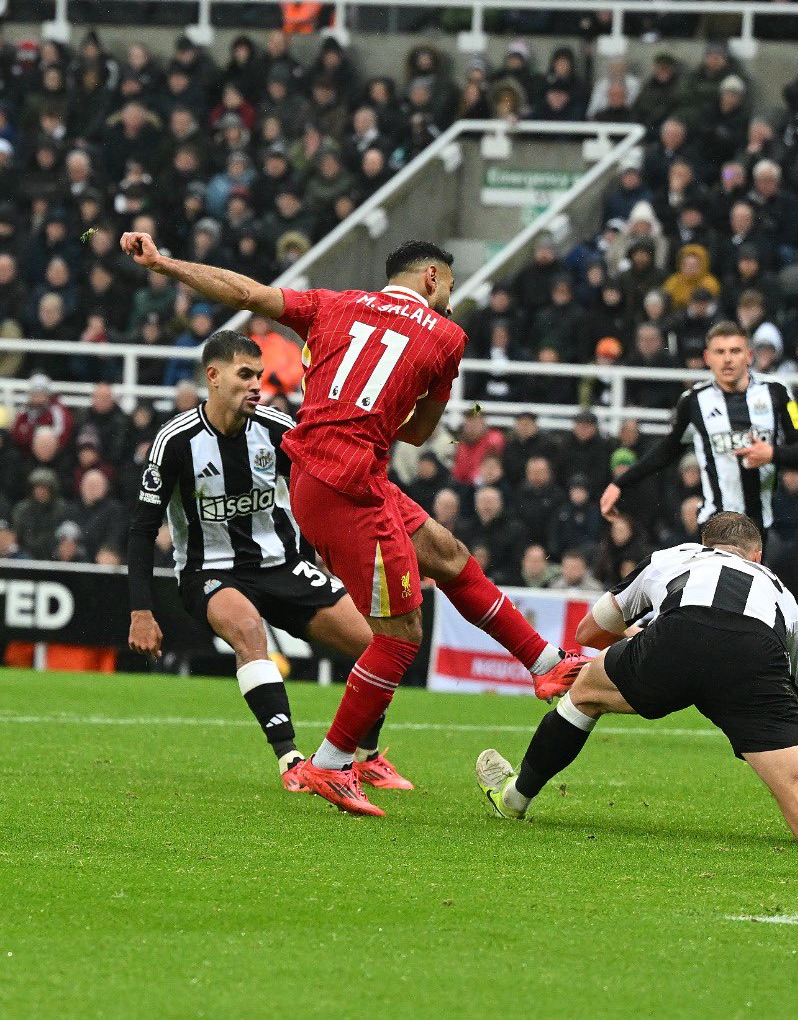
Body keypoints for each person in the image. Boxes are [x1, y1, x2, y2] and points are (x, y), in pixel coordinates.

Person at [119, 233, 571, 817]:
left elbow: (248, 291)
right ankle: (330, 766)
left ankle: (545, 662)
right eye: (451, 287)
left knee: (448, 554)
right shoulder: (447, 336)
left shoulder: (333, 305)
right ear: (432, 280)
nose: (451, 298)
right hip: (348, 484)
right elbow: (417, 434)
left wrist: (164, 261)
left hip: (322, 479)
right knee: (400, 637)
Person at [473, 511, 798, 854]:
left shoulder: (674, 557)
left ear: (706, 543)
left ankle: (515, 798)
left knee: (584, 694)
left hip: (679, 637)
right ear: (757, 555)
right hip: (755, 658)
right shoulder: (783, 595)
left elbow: (587, 633)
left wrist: (635, 639)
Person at [125, 331, 413, 792]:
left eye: (259, 375)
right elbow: (141, 531)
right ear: (213, 377)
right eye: (245, 375)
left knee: (376, 646)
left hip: (283, 563)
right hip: (211, 569)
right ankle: (291, 759)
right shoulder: (175, 442)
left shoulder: (278, 429)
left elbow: (322, 493)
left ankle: (366, 757)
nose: (256, 385)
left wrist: (336, 556)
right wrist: (142, 610)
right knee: (249, 633)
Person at [600, 321, 798, 540]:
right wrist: (620, 483)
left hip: (759, 524)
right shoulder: (694, 401)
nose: (727, 359)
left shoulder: (777, 394)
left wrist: (772, 454)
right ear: (708, 358)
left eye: (735, 351)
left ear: (749, 356)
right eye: (719, 352)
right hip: (714, 524)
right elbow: (667, 450)